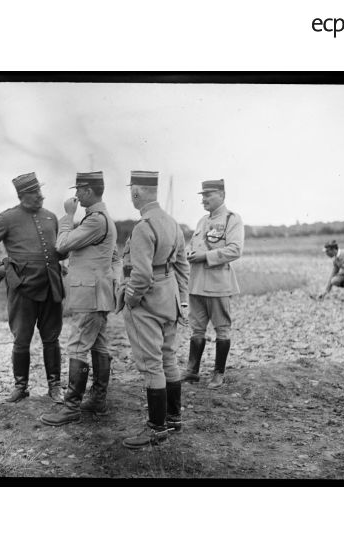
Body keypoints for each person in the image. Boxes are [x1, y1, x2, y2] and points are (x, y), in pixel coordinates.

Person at [0, 172, 65, 404]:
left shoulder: (51, 217)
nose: (41, 196)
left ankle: (55, 387)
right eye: (36, 193)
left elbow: (58, 249)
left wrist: (60, 264)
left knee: (52, 338)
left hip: (51, 287)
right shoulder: (7, 218)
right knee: (22, 339)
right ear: (23, 195)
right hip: (22, 289)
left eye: (40, 191)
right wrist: (0, 269)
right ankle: (20, 386)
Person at [41, 171, 121, 426]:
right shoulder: (101, 219)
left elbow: (61, 245)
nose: (75, 195)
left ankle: (72, 406)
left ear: (88, 191)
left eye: (78, 190)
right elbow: (114, 257)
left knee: (78, 346)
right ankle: (97, 400)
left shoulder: (95, 220)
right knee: (98, 346)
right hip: (97, 294)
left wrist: (67, 216)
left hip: (90, 295)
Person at [119, 170, 189, 449]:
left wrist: (131, 300)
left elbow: (142, 276)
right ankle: (173, 419)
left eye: (131, 190)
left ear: (137, 193)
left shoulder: (143, 227)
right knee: (168, 359)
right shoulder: (172, 222)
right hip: (169, 298)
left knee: (151, 364)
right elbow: (182, 266)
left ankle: (156, 428)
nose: (131, 195)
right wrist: (181, 300)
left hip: (147, 303)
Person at [181, 179, 244, 389]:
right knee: (196, 329)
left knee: (222, 330)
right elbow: (193, 247)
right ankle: (192, 371)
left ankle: (218, 373)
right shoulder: (201, 221)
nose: (203, 200)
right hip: (197, 283)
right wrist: (191, 254)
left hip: (218, 284)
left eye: (208, 195)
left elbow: (235, 250)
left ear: (222, 194)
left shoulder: (231, 220)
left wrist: (205, 256)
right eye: (202, 196)